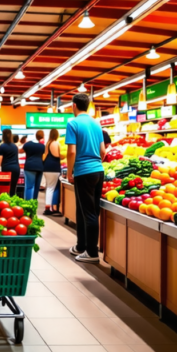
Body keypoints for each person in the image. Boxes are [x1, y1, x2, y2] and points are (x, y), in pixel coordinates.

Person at [66, 93, 106, 263]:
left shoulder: (73, 123)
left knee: (88, 213)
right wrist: (96, 163)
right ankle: (81, 246)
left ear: (74, 105)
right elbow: (103, 151)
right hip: (99, 171)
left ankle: (92, 252)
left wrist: (69, 172)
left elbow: (72, 151)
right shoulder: (97, 124)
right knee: (86, 210)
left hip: (83, 171)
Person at [20, 131, 45, 201]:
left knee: (29, 186)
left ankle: (28, 204)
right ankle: (34, 202)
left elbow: (20, 151)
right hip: (40, 167)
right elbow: (44, 157)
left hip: (29, 167)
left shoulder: (27, 145)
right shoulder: (42, 146)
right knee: (37, 187)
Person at [43, 128, 62, 216]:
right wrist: (63, 155)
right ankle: (50, 208)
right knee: (52, 188)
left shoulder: (48, 143)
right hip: (54, 167)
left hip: (46, 167)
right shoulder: (55, 143)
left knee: (49, 187)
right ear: (56, 135)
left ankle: (48, 207)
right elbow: (57, 155)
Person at [0, 129, 21, 196]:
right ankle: (12, 201)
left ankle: (6, 202)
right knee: (13, 187)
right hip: (16, 168)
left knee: (5, 187)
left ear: (3, 136)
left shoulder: (2, 146)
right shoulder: (15, 146)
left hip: (6, 168)